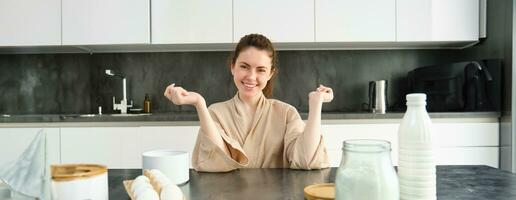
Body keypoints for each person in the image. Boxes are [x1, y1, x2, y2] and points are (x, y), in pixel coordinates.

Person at [164, 34, 333, 172]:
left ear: (270, 74)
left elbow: (307, 160)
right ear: (232, 67)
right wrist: (199, 103)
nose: (251, 77)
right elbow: (214, 164)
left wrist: (316, 103)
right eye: (244, 67)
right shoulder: (216, 112)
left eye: (261, 70)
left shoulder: (286, 113)